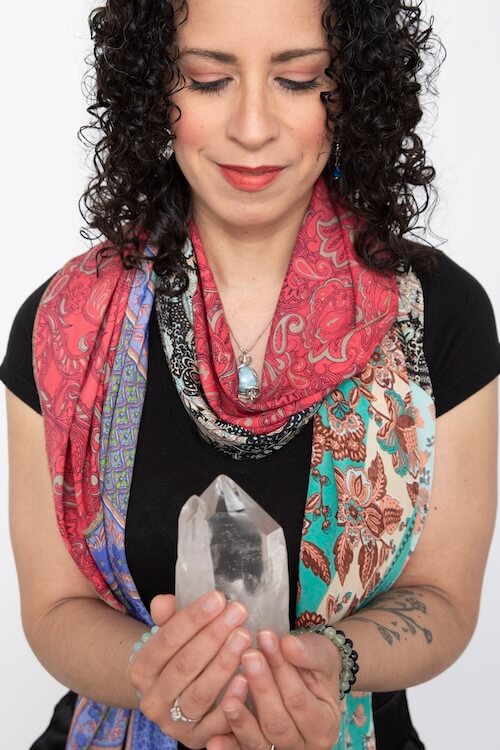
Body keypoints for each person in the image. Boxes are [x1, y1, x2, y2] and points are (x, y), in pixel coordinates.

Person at [1, 0, 499, 748]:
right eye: (208, 80)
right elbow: (53, 609)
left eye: (298, 80)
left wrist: (325, 663)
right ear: (152, 90)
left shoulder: (442, 317)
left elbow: (444, 597)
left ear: (352, 90)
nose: (254, 127)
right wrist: (160, 676)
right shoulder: (64, 323)